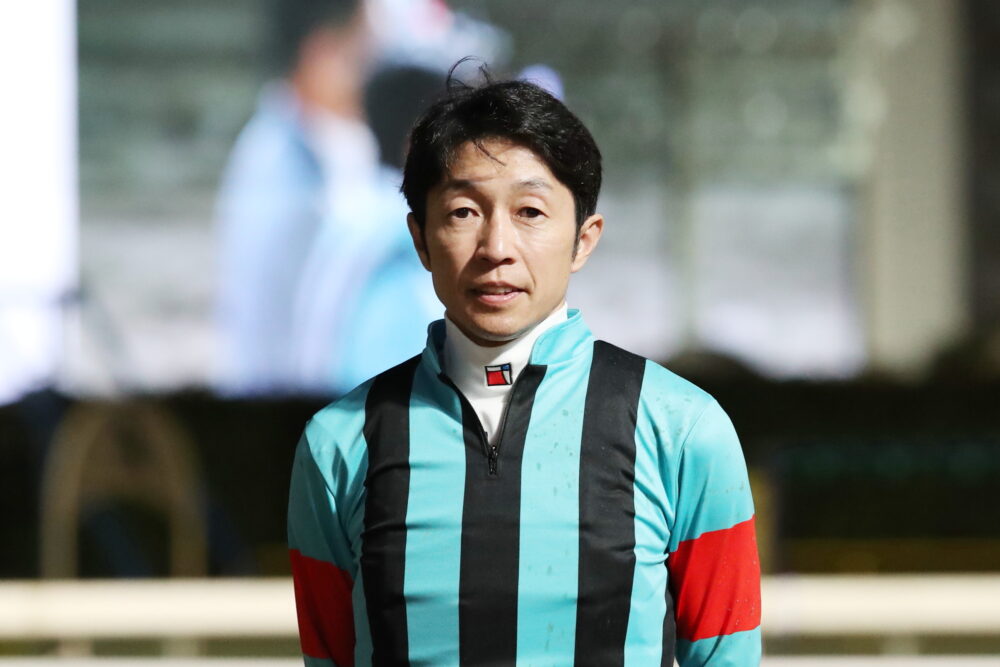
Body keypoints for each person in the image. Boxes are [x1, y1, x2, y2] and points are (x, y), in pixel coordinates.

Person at [287, 73, 761, 665]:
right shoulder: (339, 443)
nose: (497, 247)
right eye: (463, 211)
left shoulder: (682, 429)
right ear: (420, 238)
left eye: (530, 211)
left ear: (584, 239)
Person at [214, 0, 374, 396]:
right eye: (363, 50)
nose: (372, 71)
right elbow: (273, 342)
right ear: (324, 52)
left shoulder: (313, 144)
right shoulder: (280, 170)